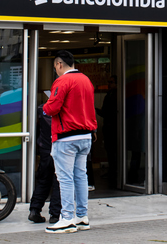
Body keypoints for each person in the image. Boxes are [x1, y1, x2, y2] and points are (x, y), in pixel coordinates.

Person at [43, 50, 97, 234]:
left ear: (59, 64)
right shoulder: (86, 80)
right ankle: (82, 217)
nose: (56, 70)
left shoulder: (62, 81)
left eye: (55, 67)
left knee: (65, 178)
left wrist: (44, 106)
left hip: (66, 136)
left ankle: (66, 218)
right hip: (85, 135)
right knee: (81, 176)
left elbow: (52, 108)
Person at [28, 103, 61, 225]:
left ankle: (34, 210)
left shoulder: (42, 109)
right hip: (58, 147)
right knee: (59, 182)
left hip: (45, 149)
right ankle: (55, 214)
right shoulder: (62, 108)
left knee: (43, 180)